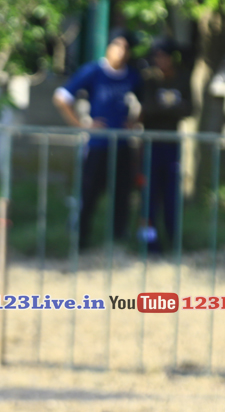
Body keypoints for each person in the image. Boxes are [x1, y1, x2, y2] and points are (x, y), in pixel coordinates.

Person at [52, 29, 143, 249]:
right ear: (108, 47)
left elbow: (144, 102)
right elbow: (62, 97)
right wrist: (81, 125)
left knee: (122, 194)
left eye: (126, 47)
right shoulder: (93, 71)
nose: (121, 52)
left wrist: (133, 122)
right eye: (117, 46)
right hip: (97, 145)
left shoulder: (132, 75)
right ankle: (80, 240)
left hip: (122, 145)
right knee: (89, 193)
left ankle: (118, 242)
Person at [138, 37, 193, 253]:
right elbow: (148, 108)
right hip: (150, 145)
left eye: (164, 56)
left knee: (171, 196)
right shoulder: (149, 79)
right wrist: (172, 106)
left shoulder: (182, 78)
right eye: (157, 56)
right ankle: (149, 242)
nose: (160, 60)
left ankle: (174, 240)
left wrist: (163, 107)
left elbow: (189, 109)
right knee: (149, 196)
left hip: (171, 145)